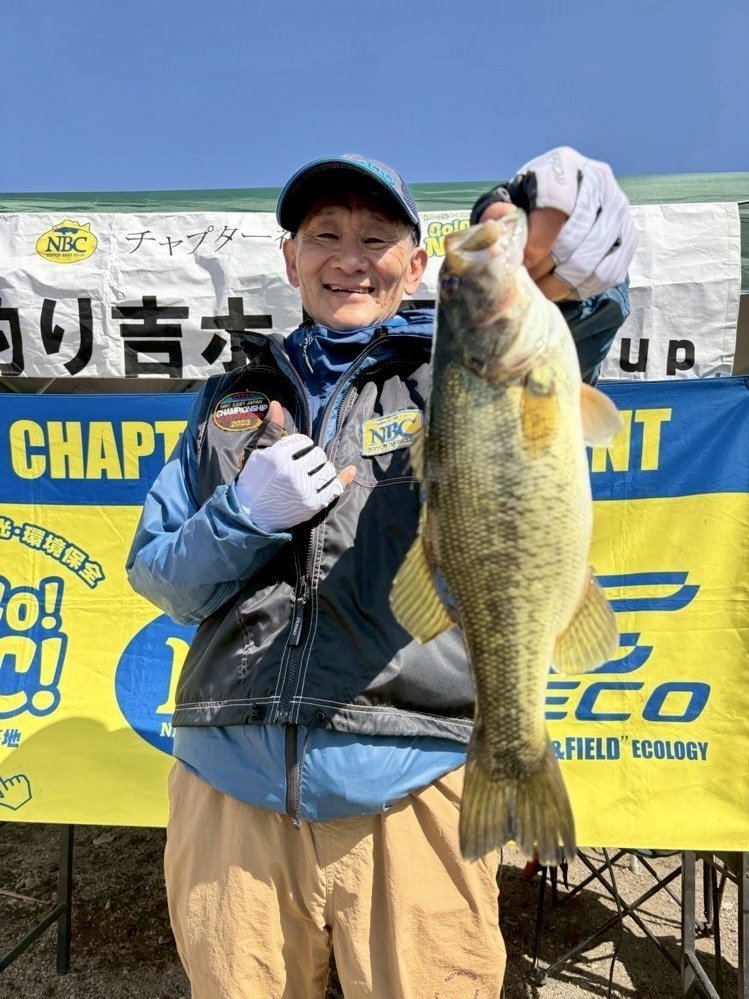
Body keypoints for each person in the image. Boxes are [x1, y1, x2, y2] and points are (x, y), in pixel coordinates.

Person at [126, 147, 637, 998]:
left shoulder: (454, 369)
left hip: (412, 781)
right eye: (324, 235)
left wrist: (540, 225)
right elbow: (163, 579)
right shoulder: (228, 401)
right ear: (290, 258)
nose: (349, 259)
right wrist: (244, 515)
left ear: (415, 262)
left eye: (375, 238)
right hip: (226, 783)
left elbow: (570, 313)